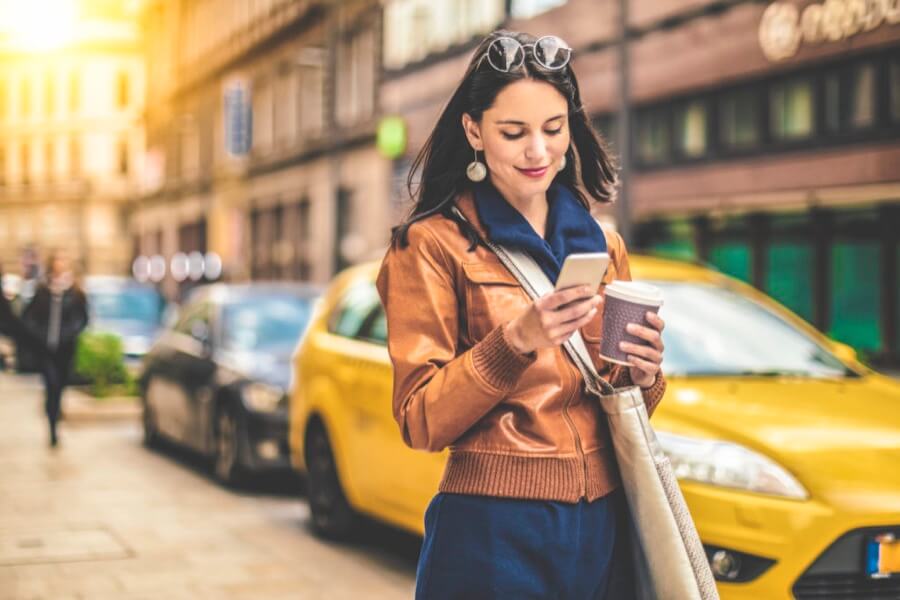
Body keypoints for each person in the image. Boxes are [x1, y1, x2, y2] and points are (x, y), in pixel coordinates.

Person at [375, 31, 668, 599]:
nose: (538, 151)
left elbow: (620, 402)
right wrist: (517, 340)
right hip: (492, 532)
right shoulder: (430, 245)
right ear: (474, 131)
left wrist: (643, 373)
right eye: (514, 133)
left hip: (603, 525)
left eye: (553, 129)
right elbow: (419, 419)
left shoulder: (603, 246)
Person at [22, 250, 88, 447]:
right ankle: (52, 424)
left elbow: (83, 318)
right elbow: (29, 316)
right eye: (58, 260)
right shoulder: (42, 290)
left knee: (60, 386)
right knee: (51, 383)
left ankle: (54, 413)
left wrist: (69, 333)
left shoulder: (75, 291)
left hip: (65, 349)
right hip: (46, 349)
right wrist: (38, 334)